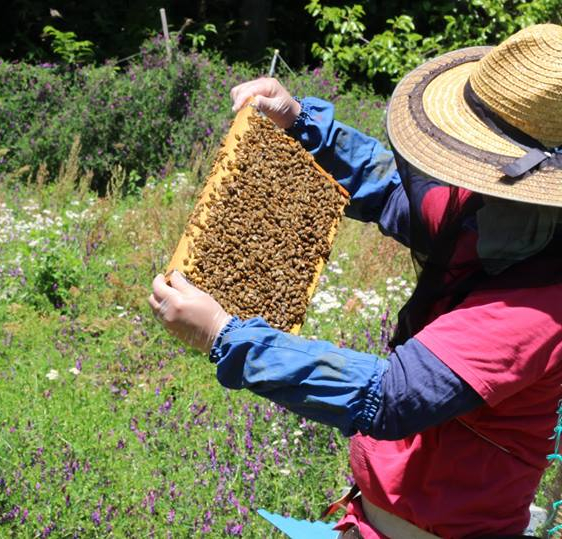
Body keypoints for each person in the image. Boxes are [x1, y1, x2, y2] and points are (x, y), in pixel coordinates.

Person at [149, 24, 562, 539]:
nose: (465, 178)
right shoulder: (493, 210)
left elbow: (392, 396)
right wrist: (302, 123)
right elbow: (395, 192)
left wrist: (227, 337)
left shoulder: (539, 308)